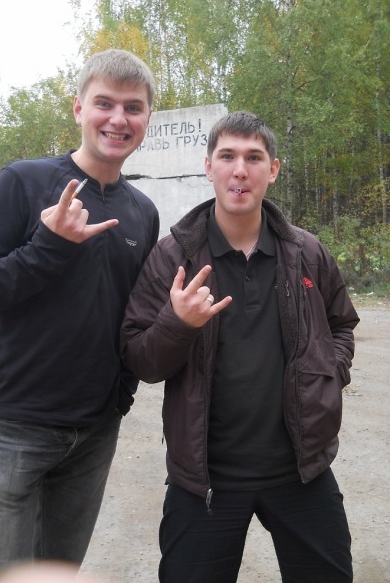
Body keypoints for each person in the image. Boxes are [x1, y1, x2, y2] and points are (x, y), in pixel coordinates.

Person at [121, 110, 359, 582]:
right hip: (205, 480)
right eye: (227, 156)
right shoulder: (173, 257)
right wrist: (177, 325)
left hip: (302, 471)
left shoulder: (307, 252)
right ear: (208, 167)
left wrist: (329, 372)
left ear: (273, 170)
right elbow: (140, 358)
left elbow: (342, 325)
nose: (240, 170)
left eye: (253, 158)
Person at [0, 49, 159, 583]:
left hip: (95, 432)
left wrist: (119, 398)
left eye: (133, 107)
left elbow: (132, 317)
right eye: (104, 103)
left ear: (147, 119)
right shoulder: (23, 182)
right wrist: (49, 245)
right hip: (13, 426)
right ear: (78, 108)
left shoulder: (142, 212)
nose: (118, 119)